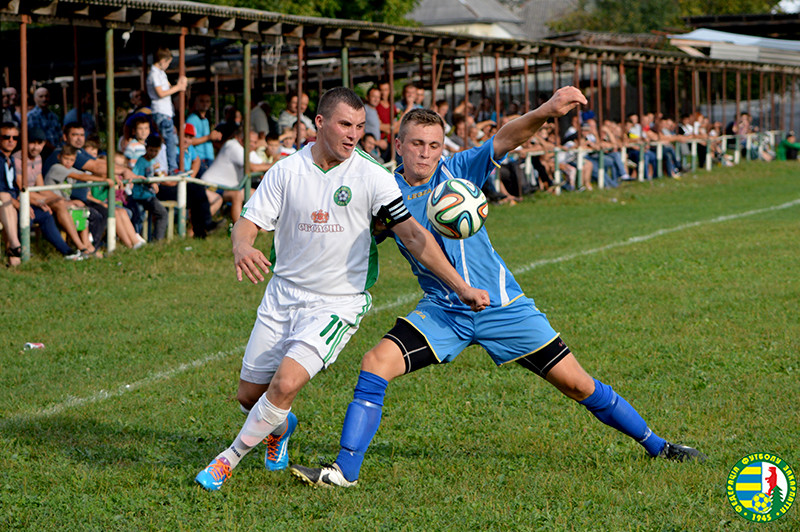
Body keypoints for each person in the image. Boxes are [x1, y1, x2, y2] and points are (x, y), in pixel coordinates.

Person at [289, 87, 707, 489]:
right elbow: (351, 237)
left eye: (434, 145)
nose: (426, 153)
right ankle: (344, 471)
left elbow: (506, 137)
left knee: (578, 384)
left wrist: (548, 109)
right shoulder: (381, 189)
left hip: (504, 308)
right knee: (375, 362)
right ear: (398, 145)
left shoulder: (460, 169)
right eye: (416, 144)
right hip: (444, 311)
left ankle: (658, 446)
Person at [194, 87, 489, 491]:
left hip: (338, 302)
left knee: (285, 384)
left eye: (360, 127)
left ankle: (227, 460)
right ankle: (279, 428)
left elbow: (415, 236)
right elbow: (249, 222)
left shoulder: (374, 177)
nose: (353, 134)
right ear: (319, 123)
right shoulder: (286, 171)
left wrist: (461, 286)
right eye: (345, 125)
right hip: (283, 294)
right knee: (250, 396)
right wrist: (242, 244)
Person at [0, 123, 82, 263]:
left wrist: (44, 201)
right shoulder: (17, 159)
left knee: (46, 213)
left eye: (14, 138)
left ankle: (68, 251)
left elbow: (39, 187)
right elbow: (18, 188)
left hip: (19, 199)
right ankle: (17, 250)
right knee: (26, 213)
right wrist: (24, 203)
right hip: (10, 201)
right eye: (6, 137)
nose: (11, 140)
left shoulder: (12, 160)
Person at [16, 128, 94, 254]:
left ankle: (84, 246)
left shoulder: (37, 159)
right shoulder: (18, 159)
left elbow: (41, 188)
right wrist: (47, 201)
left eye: (39, 143)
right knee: (60, 206)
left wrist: (64, 200)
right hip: (25, 198)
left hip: (36, 196)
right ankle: (80, 246)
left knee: (77, 205)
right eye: (32, 142)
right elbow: (22, 190)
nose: (36, 147)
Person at [201, 127, 271, 224]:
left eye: (255, 142)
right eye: (250, 141)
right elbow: (253, 167)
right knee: (237, 195)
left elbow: (263, 165)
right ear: (240, 139)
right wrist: (274, 164)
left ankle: (262, 227)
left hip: (226, 188)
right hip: (211, 185)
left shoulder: (248, 151)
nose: (253, 145)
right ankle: (239, 228)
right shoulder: (232, 145)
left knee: (255, 193)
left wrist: (272, 166)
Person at [146, 47, 187, 174]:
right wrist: (178, 87)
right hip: (161, 112)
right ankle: (172, 168)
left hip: (167, 112)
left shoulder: (161, 73)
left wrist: (180, 84)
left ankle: (172, 166)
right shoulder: (154, 74)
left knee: (171, 140)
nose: (168, 66)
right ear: (162, 61)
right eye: (168, 63)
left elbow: (170, 87)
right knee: (169, 141)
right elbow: (161, 93)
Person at [130, 134, 169, 241]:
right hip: (140, 196)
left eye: (155, 151)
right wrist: (150, 183)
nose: (153, 153)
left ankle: (157, 240)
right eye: (151, 150)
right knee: (140, 218)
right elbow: (135, 176)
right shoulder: (141, 161)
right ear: (146, 148)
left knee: (162, 214)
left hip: (150, 195)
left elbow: (157, 175)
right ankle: (139, 239)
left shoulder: (154, 162)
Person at [186, 92, 222, 176]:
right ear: (196, 102)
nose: (205, 104)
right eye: (202, 101)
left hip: (208, 159)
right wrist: (209, 137)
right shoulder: (192, 119)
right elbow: (189, 141)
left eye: (207, 101)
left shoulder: (205, 119)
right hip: (201, 160)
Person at [27, 87, 62, 155]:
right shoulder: (31, 116)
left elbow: (60, 135)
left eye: (46, 96)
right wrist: (54, 150)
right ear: (35, 99)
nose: (44, 99)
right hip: (42, 153)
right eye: (41, 96)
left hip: (58, 152)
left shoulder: (53, 116)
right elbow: (37, 137)